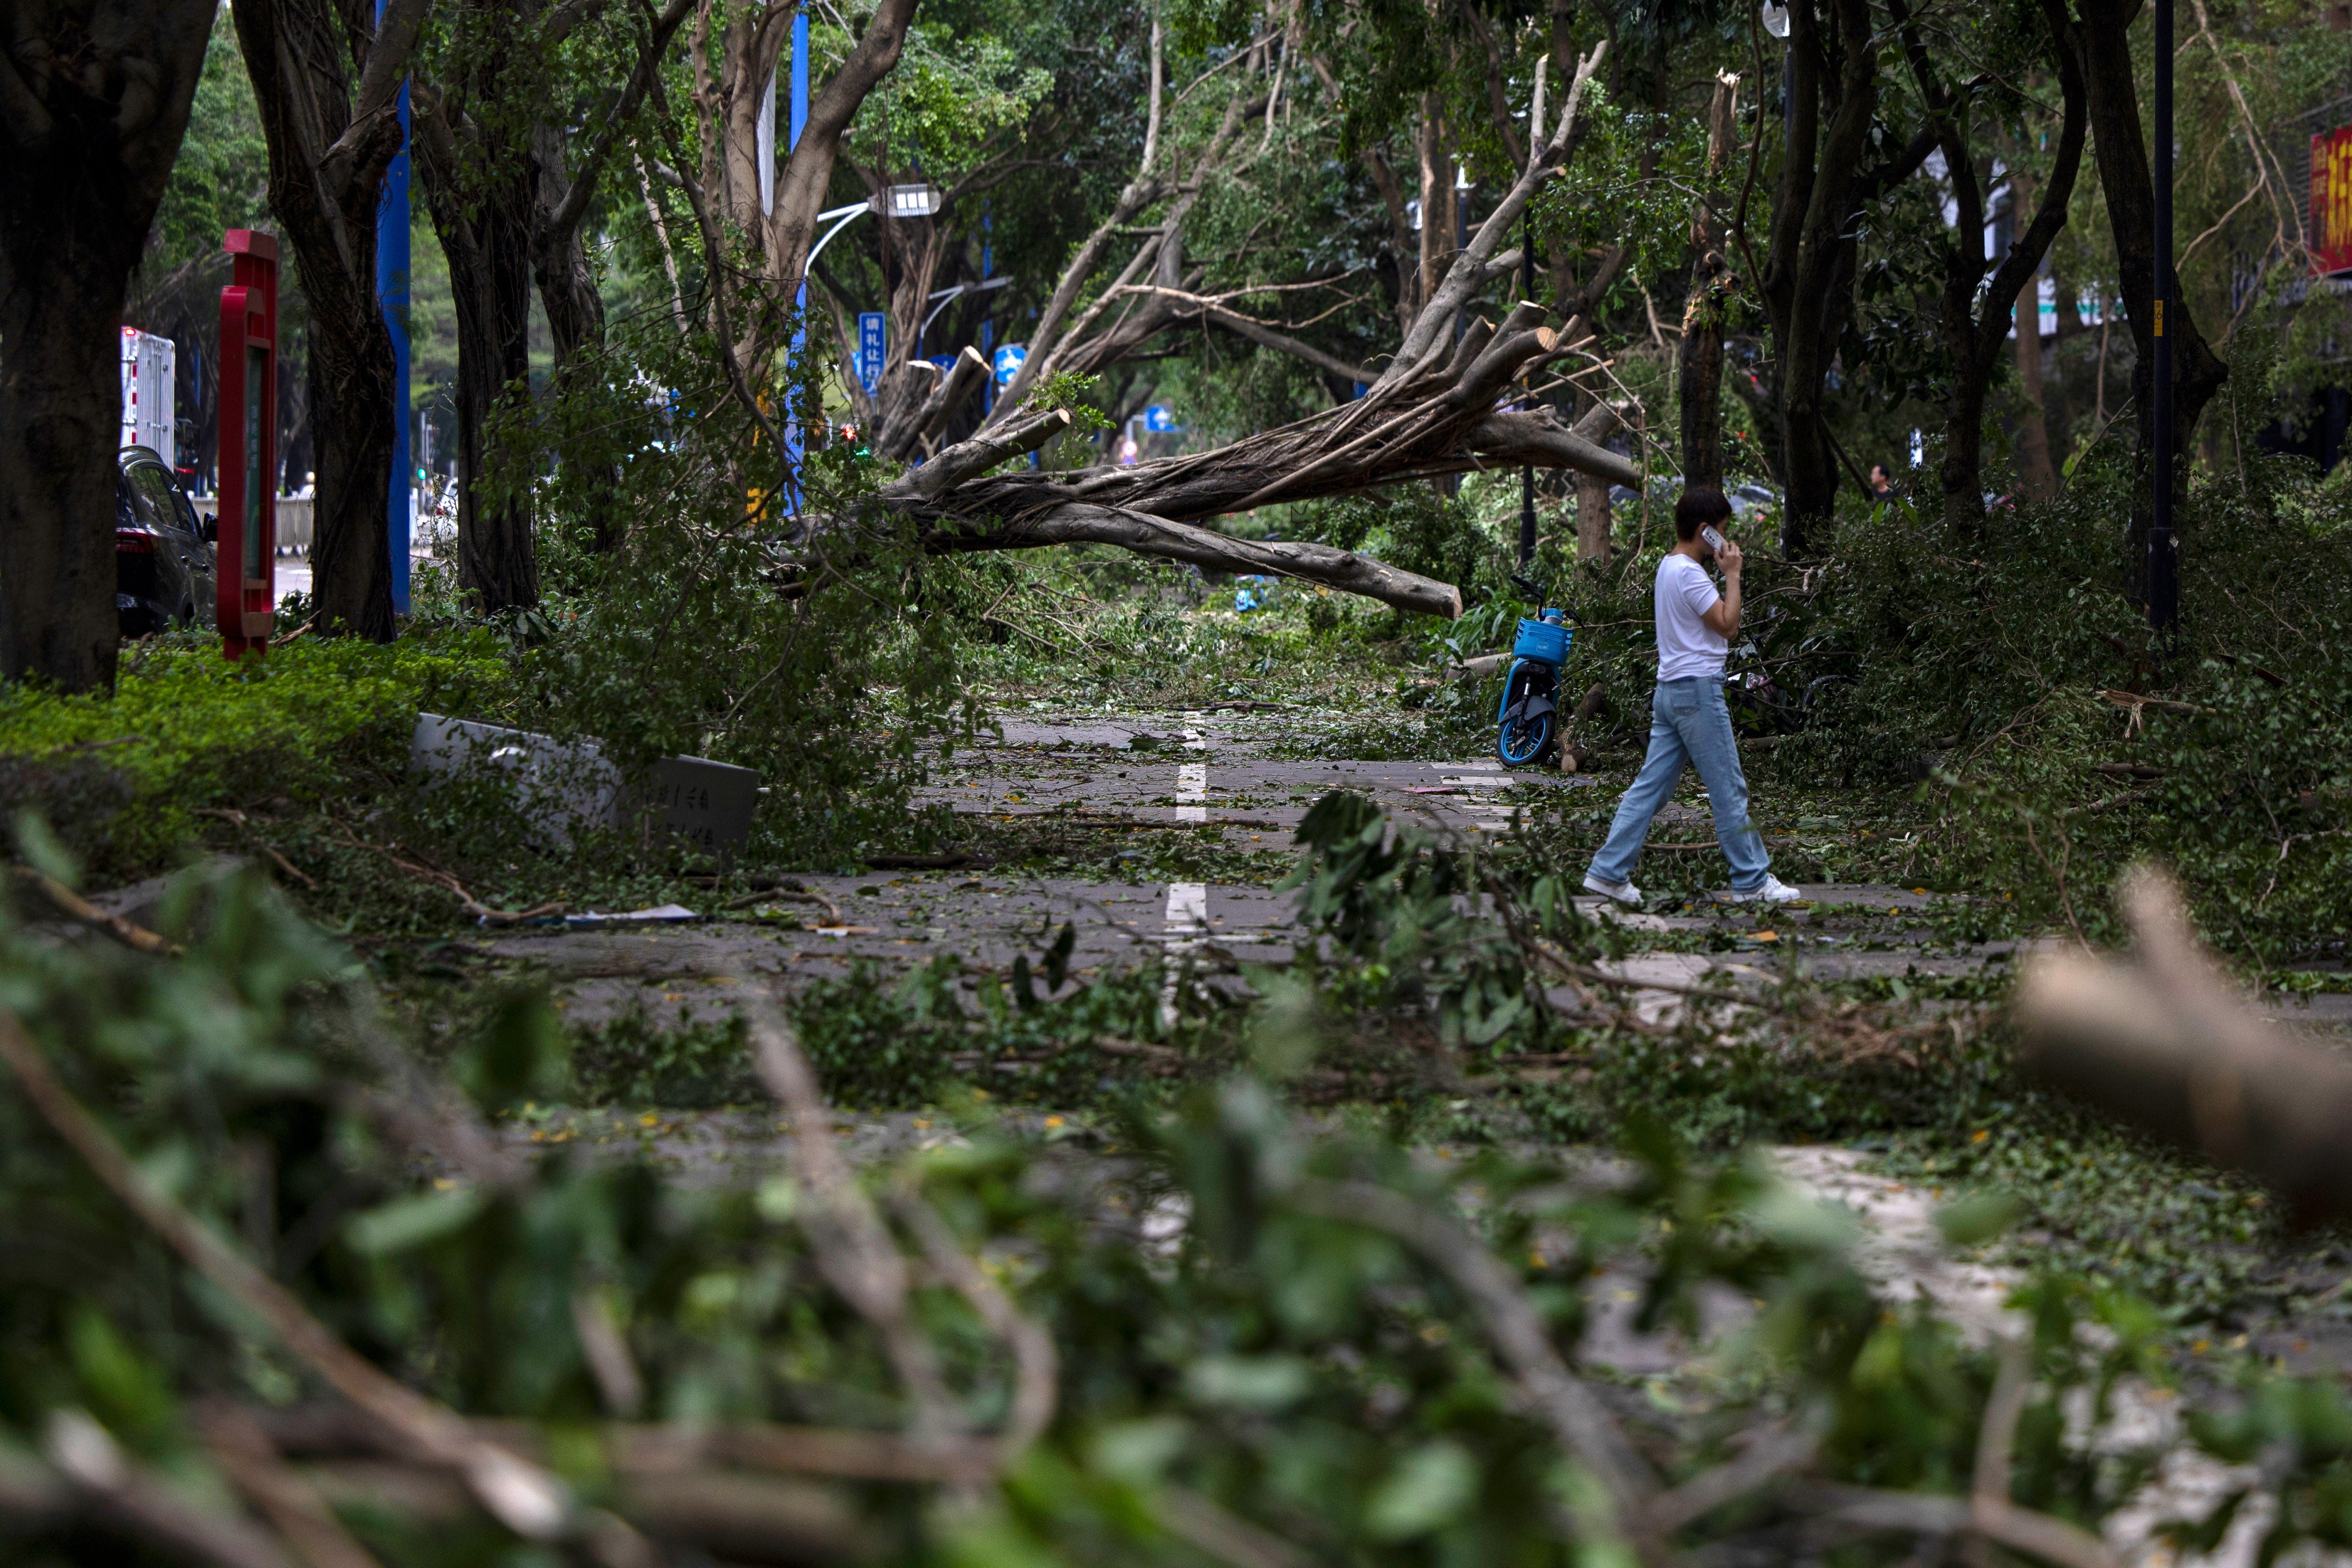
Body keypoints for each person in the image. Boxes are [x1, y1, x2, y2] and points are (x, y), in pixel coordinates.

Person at [1582, 485, 1802, 907]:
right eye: (1720, 530)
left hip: (1670, 693)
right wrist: (1733, 575)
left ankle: (1607, 873)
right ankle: (1752, 881)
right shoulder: (1688, 573)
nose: (1724, 537)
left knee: (1650, 789)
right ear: (1705, 531)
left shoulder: (1668, 567)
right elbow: (1727, 625)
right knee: (1728, 789)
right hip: (1697, 694)